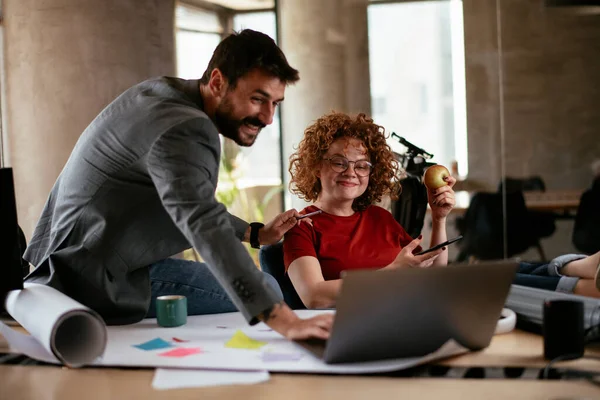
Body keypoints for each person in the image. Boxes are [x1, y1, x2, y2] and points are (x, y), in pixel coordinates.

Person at [23, 29, 332, 340]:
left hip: (57, 263)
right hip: (89, 281)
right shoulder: (187, 129)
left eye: (276, 103)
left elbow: (187, 198)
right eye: (257, 99)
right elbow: (202, 222)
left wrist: (254, 233)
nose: (267, 118)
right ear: (217, 82)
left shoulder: (160, 93)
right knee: (267, 288)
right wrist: (287, 322)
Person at [283, 112, 457, 309]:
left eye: (362, 166)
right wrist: (393, 271)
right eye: (339, 162)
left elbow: (432, 275)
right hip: (350, 329)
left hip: (402, 318)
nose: (351, 173)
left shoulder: (380, 217)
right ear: (316, 166)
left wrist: (438, 218)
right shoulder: (301, 226)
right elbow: (314, 296)